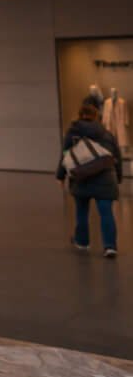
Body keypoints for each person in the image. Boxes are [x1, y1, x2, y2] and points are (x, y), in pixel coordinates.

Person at [57, 97, 121, 257]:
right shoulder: (106, 133)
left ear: (80, 115)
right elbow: (116, 155)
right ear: (96, 116)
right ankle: (110, 246)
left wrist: (61, 176)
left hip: (81, 177)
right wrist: (118, 177)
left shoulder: (73, 133)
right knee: (106, 213)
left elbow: (65, 155)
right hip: (106, 177)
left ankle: (83, 242)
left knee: (82, 212)